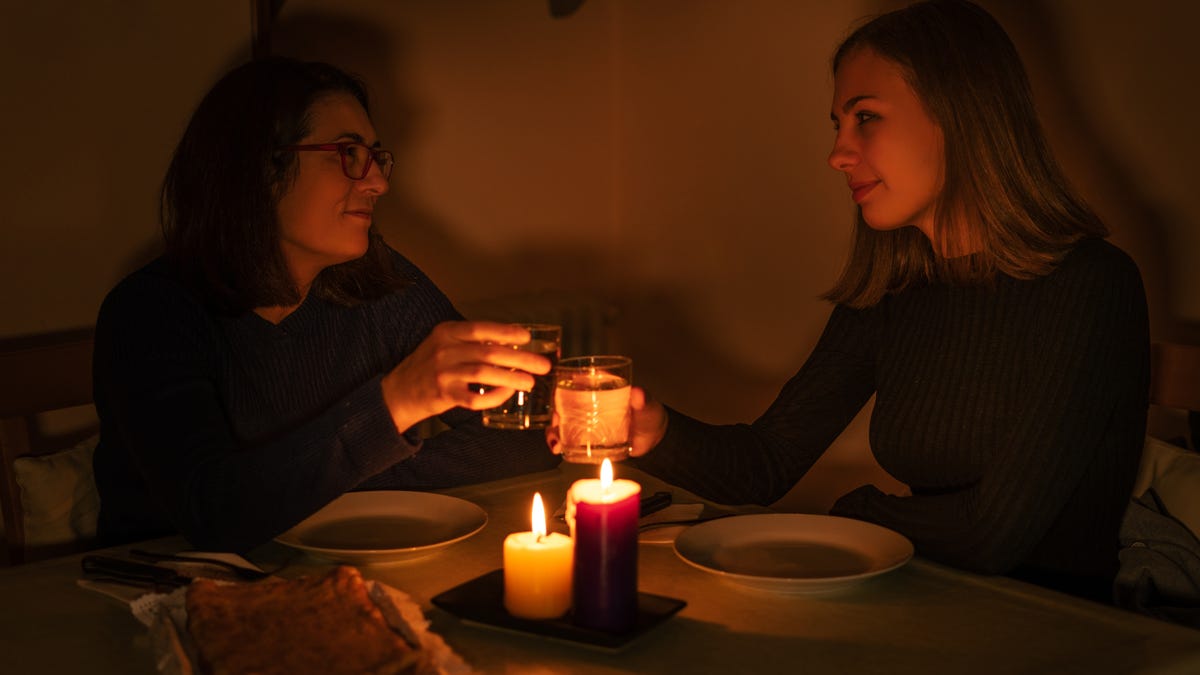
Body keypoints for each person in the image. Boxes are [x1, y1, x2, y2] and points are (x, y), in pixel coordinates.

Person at [609, 0, 1150, 602]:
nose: (838, 153)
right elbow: (765, 464)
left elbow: (993, 537)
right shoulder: (895, 291)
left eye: (865, 117)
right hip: (926, 604)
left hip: (1057, 632)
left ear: (962, 115)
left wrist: (857, 510)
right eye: (838, 124)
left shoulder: (1093, 285)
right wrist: (652, 431)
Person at [93, 57, 559, 554]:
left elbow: (525, 435)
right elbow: (213, 513)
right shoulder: (152, 312)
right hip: (160, 601)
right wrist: (394, 404)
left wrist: (320, 485)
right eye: (347, 152)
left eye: (376, 157)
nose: (378, 182)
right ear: (257, 168)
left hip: (327, 582)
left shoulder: (376, 282)